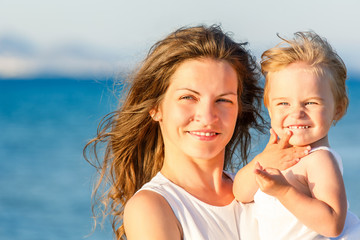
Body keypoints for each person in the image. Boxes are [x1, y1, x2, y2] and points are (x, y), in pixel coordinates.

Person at [84, 25, 310, 240]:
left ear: (240, 110)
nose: (207, 116)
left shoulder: (265, 189)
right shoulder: (152, 207)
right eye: (188, 97)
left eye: (223, 100)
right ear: (155, 107)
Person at [233, 31, 360, 240]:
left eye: (311, 102)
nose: (296, 113)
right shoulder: (274, 155)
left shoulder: (319, 159)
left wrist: (285, 192)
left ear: (338, 109)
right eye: (283, 103)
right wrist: (262, 160)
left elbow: (332, 224)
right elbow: (240, 193)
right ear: (270, 108)